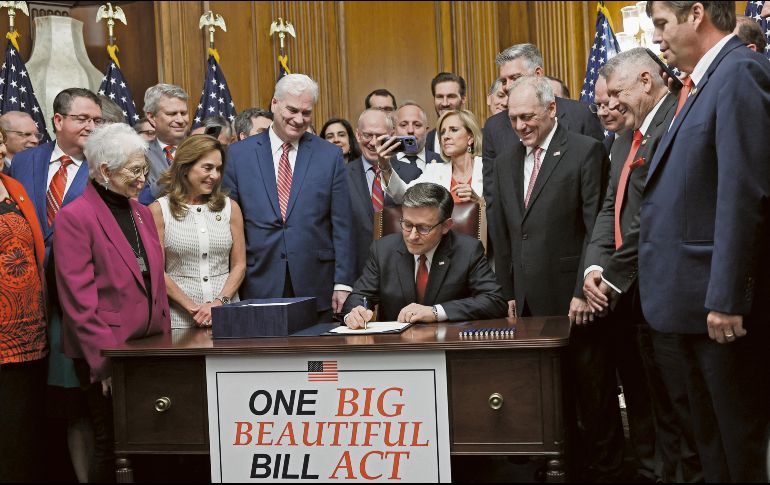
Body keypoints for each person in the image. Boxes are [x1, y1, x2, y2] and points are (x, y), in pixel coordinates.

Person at [639, 2, 770, 481]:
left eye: (660, 24)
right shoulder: (698, 86)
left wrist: (728, 296)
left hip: (722, 312)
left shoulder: (740, 73)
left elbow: (744, 191)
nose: (656, 38)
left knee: (740, 451)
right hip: (692, 309)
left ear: (696, 14)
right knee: (712, 449)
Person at [582, 47, 696, 483]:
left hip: (666, 287)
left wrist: (612, 275)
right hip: (632, 294)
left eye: (617, 93)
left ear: (645, 82)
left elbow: (654, 215)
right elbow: (610, 209)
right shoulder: (624, 142)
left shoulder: (673, 124)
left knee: (679, 405)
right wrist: (596, 270)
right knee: (653, 401)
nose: (610, 105)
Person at [490, 75, 611, 480]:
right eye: (513, 118)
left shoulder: (584, 152)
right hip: (525, 303)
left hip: (574, 300)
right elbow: (506, 232)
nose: (521, 126)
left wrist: (583, 291)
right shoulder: (506, 160)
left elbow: (597, 227)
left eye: (528, 117)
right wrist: (506, 292)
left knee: (591, 394)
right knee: (545, 395)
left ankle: (604, 469)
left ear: (551, 109)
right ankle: (559, 466)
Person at [53, 123, 171, 483]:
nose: (142, 179)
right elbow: (79, 303)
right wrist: (104, 364)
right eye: (135, 171)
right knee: (113, 446)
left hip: (149, 348)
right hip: (108, 354)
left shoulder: (139, 211)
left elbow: (154, 282)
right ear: (106, 171)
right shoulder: (75, 217)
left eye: (144, 169)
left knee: (150, 444)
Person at [10, 87, 103, 483]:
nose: (91, 126)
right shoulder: (25, 162)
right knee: (28, 399)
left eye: (97, 120)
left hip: (79, 300)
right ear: (58, 121)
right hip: (24, 300)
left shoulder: (104, 165)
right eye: (83, 119)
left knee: (77, 401)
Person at [223, 74, 354, 322]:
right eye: (292, 110)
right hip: (257, 280)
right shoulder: (239, 155)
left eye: (306, 113)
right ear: (274, 104)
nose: (298, 119)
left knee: (316, 361)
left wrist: (343, 282)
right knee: (265, 358)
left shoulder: (329, 155)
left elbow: (343, 224)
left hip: (316, 283)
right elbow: (229, 225)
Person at [342, 183, 506, 326]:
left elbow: (494, 301)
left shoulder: (467, 250)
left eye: (423, 228)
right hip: (396, 350)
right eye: (407, 224)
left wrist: (435, 312)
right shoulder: (383, 250)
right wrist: (355, 313)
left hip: (447, 345)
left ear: (446, 226)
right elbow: (360, 296)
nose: (412, 235)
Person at [482, 43, 604, 211]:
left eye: (515, 78)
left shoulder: (581, 116)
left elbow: (597, 189)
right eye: (503, 80)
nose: (508, 86)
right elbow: (492, 198)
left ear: (538, 74)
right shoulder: (494, 127)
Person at [150, 135, 245, 329]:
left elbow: (239, 265)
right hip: (180, 320)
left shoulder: (230, 208)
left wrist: (219, 303)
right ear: (185, 167)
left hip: (228, 315)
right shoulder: (159, 210)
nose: (215, 175)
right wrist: (193, 308)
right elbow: (158, 271)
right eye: (208, 167)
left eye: (218, 169)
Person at [0, 126, 48, 482]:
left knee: (23, 431)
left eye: (0, 140)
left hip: (28, 333)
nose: (1, 147)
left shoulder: (13, 187)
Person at [347, 109, 422, 280]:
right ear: (358, 135)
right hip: (358, 271)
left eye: (380, 136)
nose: (373, 143)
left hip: (405, 268)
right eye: (367, 135)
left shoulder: (413, 173)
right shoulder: (342, 176)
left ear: (392, 135)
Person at [380, 109, 483, 207]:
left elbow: (497, 210)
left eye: (453, 130)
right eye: (442, 132)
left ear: (470, 138)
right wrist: (385, 167)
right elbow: (403, 196)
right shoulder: (434, 170)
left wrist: (479, 201)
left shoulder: (488, 168)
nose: (445, 136)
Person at [139, 83, 190, 204]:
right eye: (171, 114)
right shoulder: (139, 153)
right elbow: (143, 198)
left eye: (183, 113)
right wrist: (178, 168)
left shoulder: (201, 150)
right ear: (152, 118)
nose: (180, 120)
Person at [393, 102, 442, 171]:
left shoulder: (442, 162)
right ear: (394, 131)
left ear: (426, 130)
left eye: (417, 125)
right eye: (403, 125)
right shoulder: (385, 164)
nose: (410, 130)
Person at [425, 72, 467, 153]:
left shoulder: (480, 137)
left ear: (463, 99)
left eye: (451, 96)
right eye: (440, 97)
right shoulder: (426, 141)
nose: (445, 103)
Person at [592, 75, 628, 153]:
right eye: (598, 105)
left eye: (608, 103)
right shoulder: (601, 148)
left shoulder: (650, 141)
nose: (600, 113)